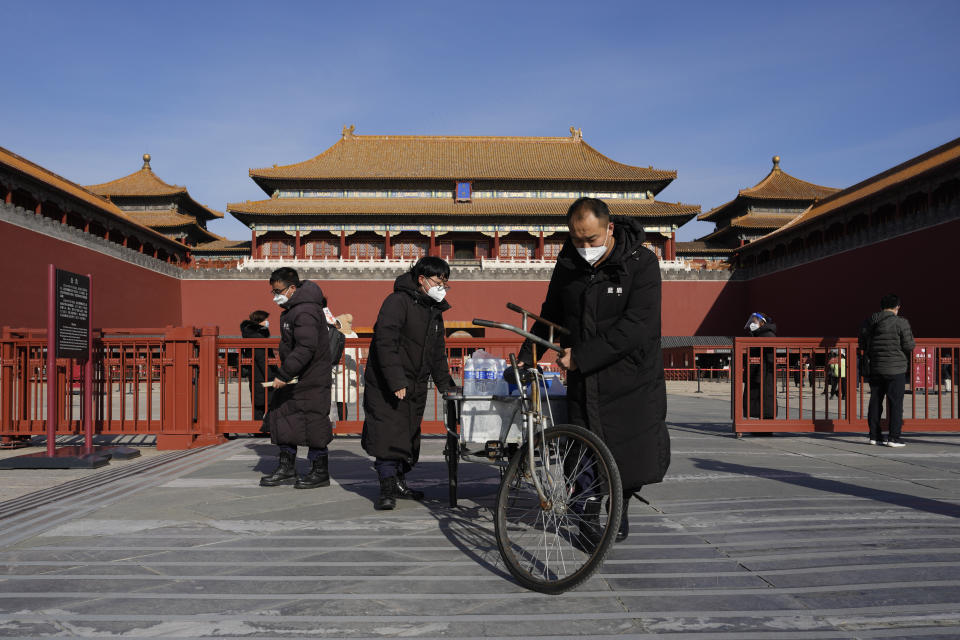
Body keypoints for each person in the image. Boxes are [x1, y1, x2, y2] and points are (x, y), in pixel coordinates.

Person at [518, 197, 670, 545]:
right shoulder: (568, 264)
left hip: (631, 377)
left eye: (591, 239)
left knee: (629, 452)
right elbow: (550, 313)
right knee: (583, 450)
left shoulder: (641, 263)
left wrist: (583, 356)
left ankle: (620, 506)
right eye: (577, 239)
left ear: (610, 229)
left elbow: (638, 325)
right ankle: (587, 509)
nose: (584, 247)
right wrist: (530, 353)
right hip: (585, 381)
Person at [361, 257, 456, 510]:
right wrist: (396, 380)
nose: (442, 287)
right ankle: (386, 488)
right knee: (389, 435)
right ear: (422, 279)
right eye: (439, 281)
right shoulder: (397, 302)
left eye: (446, 283)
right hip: (388, 383)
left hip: (416, 382)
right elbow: (385, 342)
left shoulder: (434, 310)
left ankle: (400, 481)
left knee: (409, 435)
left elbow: (437, 353)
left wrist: (446, 386)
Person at [259, 267, 333, 488]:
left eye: (278, 290)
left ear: (292, 288)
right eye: (273, 291)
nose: (275, 296)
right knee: (284, 418)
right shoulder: (293, 309)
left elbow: (306, 347)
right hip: (297, 376)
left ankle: (319, 471)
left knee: (314, 422)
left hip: (311, 377)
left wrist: (284, 373)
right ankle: (286, 467)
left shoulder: (305, 311)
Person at [859, 293, 915, 447]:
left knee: (876, 401)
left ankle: (874, 436)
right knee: (896, 404)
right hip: (896, 369)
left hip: (875, 368)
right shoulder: (901, 323)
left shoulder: (869, 321)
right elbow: (909, 346)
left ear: (881, 307)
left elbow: (862, 343)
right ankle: (894, 438)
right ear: (897, 306)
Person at [240, 310, 272, 422]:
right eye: (265, 320)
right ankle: (262, 428)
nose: (267, 322)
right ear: (259, 321)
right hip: (261, 373)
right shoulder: (257, 337)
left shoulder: (251, 334)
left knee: (259, 402)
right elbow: (261, 358)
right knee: (265, 402)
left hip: (256, 372)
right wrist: (271, 375)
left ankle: (258, 427)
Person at [743, 312, 777, 418]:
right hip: (757, 373)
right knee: (756, 401)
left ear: (762, 323)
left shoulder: (767, 335)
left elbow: (769, 359)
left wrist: (758, 374)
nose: (752, 323)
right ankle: (760, 426)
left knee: (765, 399)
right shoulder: (758, 335)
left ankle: (765, 428)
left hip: (764, 374)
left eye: (754, 321)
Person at [332, 313, 360, 421]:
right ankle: (342, 424)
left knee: (340, 403)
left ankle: (342, 425)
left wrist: (333, 369)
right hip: (346, 374)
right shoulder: (353, 335)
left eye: (338, 324)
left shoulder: (344, 337)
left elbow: (346, 358)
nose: (335, 325)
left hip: (342, 374)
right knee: (341, 403)